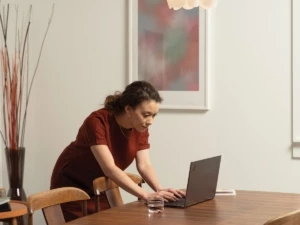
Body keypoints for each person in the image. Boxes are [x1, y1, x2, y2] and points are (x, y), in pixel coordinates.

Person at [50, 80, 185, 222]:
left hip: (100, 188)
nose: (150, 121)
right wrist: (145, 195)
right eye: (146, 114)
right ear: (128, 109)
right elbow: (109, 168)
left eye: (154, 115)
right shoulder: (97, 121)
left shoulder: (140, 127)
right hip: (72, 187)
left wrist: (160, 189)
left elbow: (144, 165)